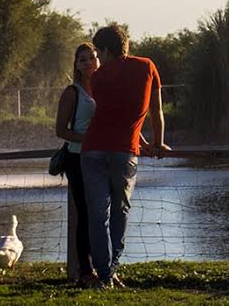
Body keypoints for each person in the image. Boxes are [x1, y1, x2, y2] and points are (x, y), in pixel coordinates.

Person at [80, 23, 171, 289]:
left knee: (98, 215)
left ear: (107, 50)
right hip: (124, 152)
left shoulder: (96, 78)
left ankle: (105, 275)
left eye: (99, 51)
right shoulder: (147, 66)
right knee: (121, 212)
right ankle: (112, 270)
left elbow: (109, 114)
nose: (98, 57)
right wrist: (158, 143)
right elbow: (155, 112)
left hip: (93, 151)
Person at [54, 43, 99, 286]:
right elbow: (61, 130)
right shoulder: (72, 92)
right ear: (76, 65)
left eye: (92, 57)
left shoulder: (104, 88)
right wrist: (89, 139)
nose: (89, 62)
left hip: (101, 157)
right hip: (78, 158)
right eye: (83, 60)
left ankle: (104, 268)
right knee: (85, 213)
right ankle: (85, 271)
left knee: (100, 213)